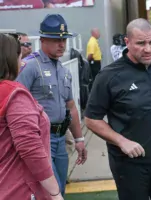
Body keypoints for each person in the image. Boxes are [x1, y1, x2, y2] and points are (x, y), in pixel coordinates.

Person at [84, 18, 151, 200]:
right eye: (141, 43)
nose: (148, 49)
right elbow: (92, 119)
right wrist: (121, 141)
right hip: (130, 166)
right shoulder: (109, 76)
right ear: (127, 42)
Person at [16, 14, 87, 196]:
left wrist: (79, 139)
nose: (62, 44)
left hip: (60, 138)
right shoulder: (31, 66)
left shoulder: (63, 70)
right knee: (49, 192)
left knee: (60, 189)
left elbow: (70, 106)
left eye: (63, 39)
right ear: (43, 40)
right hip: (39, 139)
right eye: (56, 40)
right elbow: (14, 102)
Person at [0, 33, 63, 200]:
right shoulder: (13, 94)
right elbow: (30, 147)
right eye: (20, 55)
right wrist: (54, 192)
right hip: (19, 189)